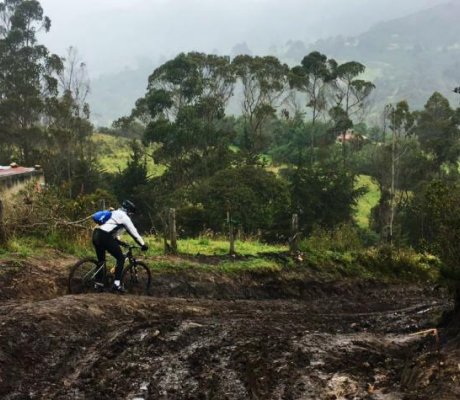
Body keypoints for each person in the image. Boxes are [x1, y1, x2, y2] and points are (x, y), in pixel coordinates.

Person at [92, 199, 148, 293]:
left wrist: (121, 243)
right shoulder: (125, 217)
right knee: (120, 258)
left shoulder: (114, 212)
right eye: (131, 213)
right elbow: (134, 233)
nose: (131, 215)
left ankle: (98, 284)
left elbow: (111, 231)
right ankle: (117, 284)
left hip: (96, 234)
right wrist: (143, 244)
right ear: (129, 211)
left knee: (101, 261)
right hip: (105, 236)